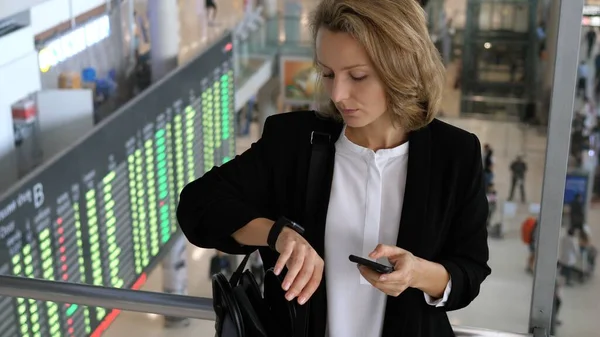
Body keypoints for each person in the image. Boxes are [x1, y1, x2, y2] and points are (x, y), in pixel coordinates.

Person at [177, 1, 491, 336]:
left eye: (357, 76)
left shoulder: (454, 154)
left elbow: (468, 272)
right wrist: (276, 234)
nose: (338, 94)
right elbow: (198, 205)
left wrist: (417, 274)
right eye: (327, 73)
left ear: (402, 67)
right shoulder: (293, 143)